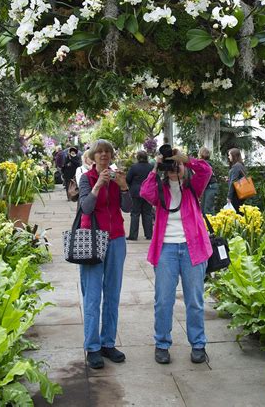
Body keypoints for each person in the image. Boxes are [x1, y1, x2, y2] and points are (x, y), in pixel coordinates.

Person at [140, 144, 212, 366]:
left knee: (195, 301)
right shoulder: (159, 189)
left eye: (176, 165)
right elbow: (144, 192)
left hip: (193, 249)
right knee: (163, 300)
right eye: (170, 166)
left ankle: (198, 345)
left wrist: (186, 159)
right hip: (166, 250)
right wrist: (156, 167)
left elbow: (206, 171)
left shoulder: (192, 187)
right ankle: (162, 344)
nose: (173, 169)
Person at [78, 138, 132, 369]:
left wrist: (123, 186)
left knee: (112, 294)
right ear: (92, 156)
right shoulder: (86, 178)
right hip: (92, 238)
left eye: (107, 152)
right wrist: (98, 184)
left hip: (117, 239)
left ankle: (108, 343)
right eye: (99, 152)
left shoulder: (117, 176)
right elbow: (86, 207)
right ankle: (92, 347)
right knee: (92, 295)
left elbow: (129, 208)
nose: (103, 155)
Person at [126, 151, 154, 240]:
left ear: (138, 157)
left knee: (135, 214)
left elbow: (128, 179)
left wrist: (131, 186)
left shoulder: (134, 167)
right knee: (148, 213)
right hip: (148, 193)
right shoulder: (151, 167)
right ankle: (149, 234)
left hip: (136, 192)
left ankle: (133, 236)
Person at [199, 146, 219, 216]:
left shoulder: (205, 163)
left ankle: (211, 226)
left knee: (207, 210)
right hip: (210, 187)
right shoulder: (207, 163)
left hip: (210, 187)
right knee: (204, 209)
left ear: (201, 154)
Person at [227, 147, 246, 213]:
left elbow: (233, 182)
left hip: (236, 194)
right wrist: (228, 179)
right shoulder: (241, 165)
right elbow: (238, 179)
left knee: (236, 214)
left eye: (229, 155)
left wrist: (229, 197)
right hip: (241, 193)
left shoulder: (236, 166)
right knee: (239, 212)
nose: (229, 157)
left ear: (233, 156)